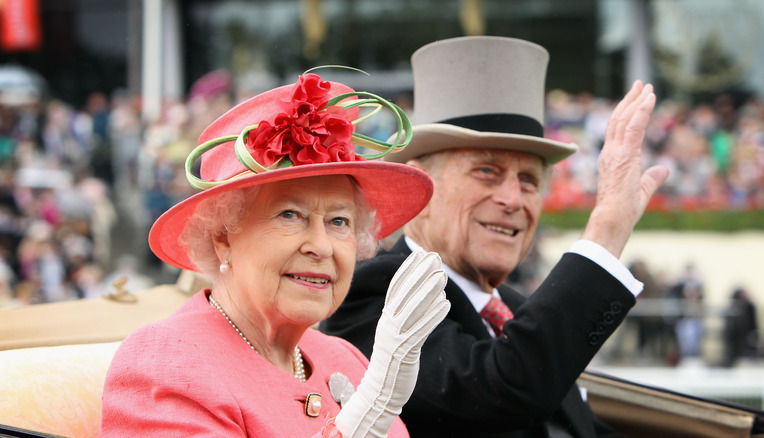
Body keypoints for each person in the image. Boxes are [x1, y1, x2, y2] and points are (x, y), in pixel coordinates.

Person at [321, 36, 669, 437]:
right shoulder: (376, 292)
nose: (512, 199)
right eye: (486, 171)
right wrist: (607, 229)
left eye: (528, 180)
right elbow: (500, 392)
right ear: (423, 186)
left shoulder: (517, 312)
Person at [99, 72, 452, 437]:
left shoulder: (345, 358)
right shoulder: (165, 362)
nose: (321, 246)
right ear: (223, 236)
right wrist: (363, 420)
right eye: (290, 215)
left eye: (339, 221)